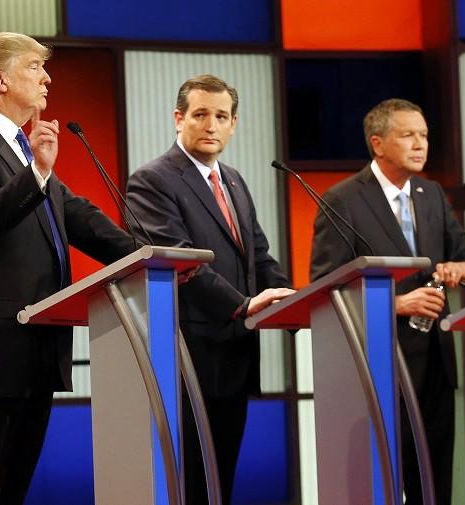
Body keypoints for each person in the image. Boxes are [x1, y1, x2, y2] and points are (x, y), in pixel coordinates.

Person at [0, 32, 137, 505]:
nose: (46, 79)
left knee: (12, 486)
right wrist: (37, 173)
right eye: (34, 68)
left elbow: (78, 217)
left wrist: (145, 255)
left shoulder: (21, 149)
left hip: (35, 346)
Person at [126, 74, 294, 505]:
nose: (211, 125)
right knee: (191, 482)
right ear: (179, 119)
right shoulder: (153, 180)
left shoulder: (234, 180)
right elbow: (178, 261)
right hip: (187, 353)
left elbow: (258, 256)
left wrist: (292, 302)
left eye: (222, 116)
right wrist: (241, 305)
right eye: (201, 115)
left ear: (234, 124)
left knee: (221, 478)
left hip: (235, 353)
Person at [310, 98, 465, 505]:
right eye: (407, 135)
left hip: (436, 364)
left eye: (423, 135)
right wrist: (396, 305)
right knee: (386, 480)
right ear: (378, 143)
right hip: (380, 365)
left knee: (436, 481)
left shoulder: (431, 194)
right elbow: (324, 288)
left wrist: (462, 269)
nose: (420, 144)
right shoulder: (343, 199)